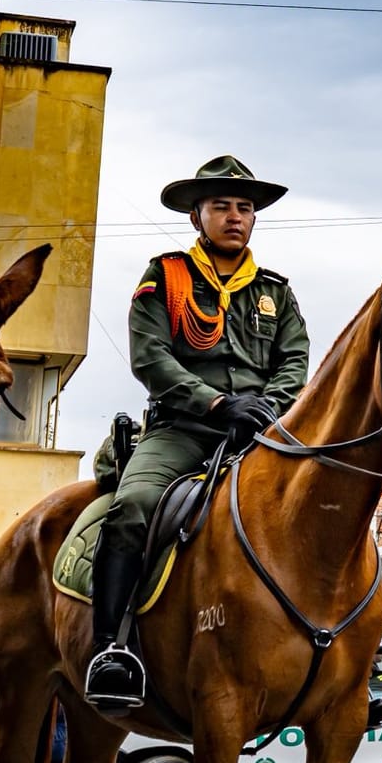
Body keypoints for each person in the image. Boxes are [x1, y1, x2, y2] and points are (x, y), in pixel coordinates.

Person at [84, 156, 310, 711]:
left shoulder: (276, 293)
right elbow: (151, 357)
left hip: (260, 432)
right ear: (196, 217)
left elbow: (296, 361)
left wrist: (263, 407)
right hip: (183, 430)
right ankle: (107, 648)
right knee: (133, 506)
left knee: (322, 506)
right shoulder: (165, 275)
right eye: (221, 207)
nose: (235, 217)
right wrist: (215, 402)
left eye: (245, 208)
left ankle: (340, 663)